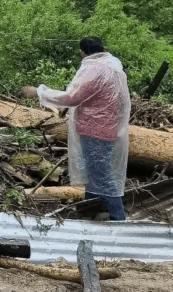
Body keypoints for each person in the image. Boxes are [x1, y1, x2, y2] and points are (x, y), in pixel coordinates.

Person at [22, 37, 130, 221]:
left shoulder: (95, 68)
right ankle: (89, 210)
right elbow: (93, 95)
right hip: (107, 126)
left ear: (83, 51)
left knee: (102, 174)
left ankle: (119, 218)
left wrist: (39, 92)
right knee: (95, 172)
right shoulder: (112, 66)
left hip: (94, 129)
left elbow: (73, 96)